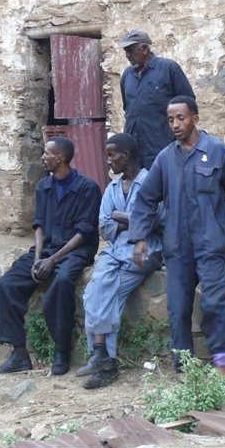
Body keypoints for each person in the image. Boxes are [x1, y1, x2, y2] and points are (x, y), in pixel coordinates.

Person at [129, 95, 225, 375]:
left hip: (210, 241)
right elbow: (146, 198)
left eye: (181, 118)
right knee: (177, 309)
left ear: (195, 119)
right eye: (171, 119)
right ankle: (185, 368)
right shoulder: (165, 158)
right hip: (176, 246)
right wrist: (139, 238)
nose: (175, 124)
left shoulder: (217, 151)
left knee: (213, 302)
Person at [0, 137, 101, 377]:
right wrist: (39, 257)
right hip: (46, 250)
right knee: (7, 285)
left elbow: (84, 233)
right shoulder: (43, 186)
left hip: (75, 252)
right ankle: (19, 354)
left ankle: (61, 350)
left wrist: (53, 261)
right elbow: (38, 225)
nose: (42, 156)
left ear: (59, 158)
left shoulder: (87, 188)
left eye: (46, 153)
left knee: (61, 284)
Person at [77, 133, 164, 389]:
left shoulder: (151, 182)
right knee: (93, 292)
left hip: (144, 251)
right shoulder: (112, 189)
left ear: (126, 155)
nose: (109, 161)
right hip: (115, 251)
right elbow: (104, 226)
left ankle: (103, 358)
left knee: (108, 293)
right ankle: (103, 358)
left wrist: (121, 216)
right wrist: (130, 219)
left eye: (112, 155)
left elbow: (156, 219)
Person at [119, 29, 195, 169]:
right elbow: (128, 110)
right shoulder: (126, 76)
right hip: (134, 154)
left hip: (163, 150)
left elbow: (188, 106)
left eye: (130, 50)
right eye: (125, 51)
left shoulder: (168, 68)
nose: (127, 55)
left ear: (145, 49)